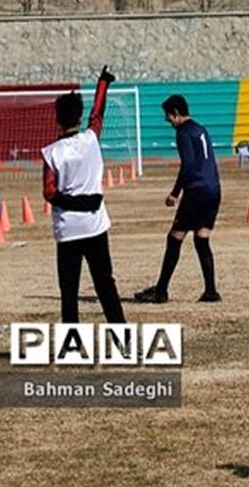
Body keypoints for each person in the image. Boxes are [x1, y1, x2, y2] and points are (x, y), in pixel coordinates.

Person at [41, 66, 126, 324]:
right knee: (105, 284)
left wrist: (74, 203)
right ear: (79, 117)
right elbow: (98, 113)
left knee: (69, 291)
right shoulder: (91, 139)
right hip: (95, 224)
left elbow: (50, 192)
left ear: (58, 118)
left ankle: (73, 345)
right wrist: (103, 82)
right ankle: (123, 339)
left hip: (68, 229)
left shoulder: (51, 152)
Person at [135, 94, 223, 303]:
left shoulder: (183, 132)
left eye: (167, 115)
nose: (167, 120)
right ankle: (211, 291)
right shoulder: (201, 129)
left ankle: (161, 290)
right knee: (201, 240)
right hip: (214, 190)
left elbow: (189, 165)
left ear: (175, 113)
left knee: (174, 239)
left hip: (197, 191)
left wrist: (175, 193)